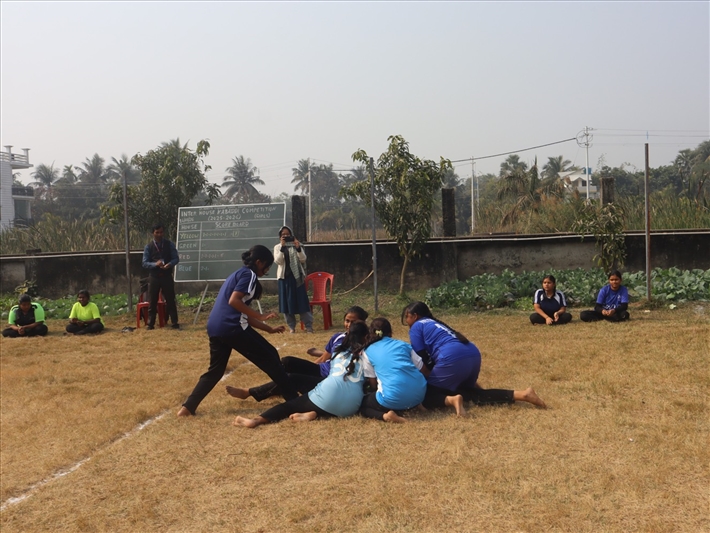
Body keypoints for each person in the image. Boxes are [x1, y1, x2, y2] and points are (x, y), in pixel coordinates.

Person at [177, 245, 300, 416]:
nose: (267, 270)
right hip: (231, 327)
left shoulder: (236, 274)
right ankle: (295, 401)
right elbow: (234, 301)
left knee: (215, 371)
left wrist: (269, 329)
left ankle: (187, 408)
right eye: (267, 266)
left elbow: (243, 314)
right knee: (271, 355)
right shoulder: (249, 275)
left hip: (215, 326)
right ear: (259, 262)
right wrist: (261, 315)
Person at [402, 301, 546, 411]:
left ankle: (453, 400)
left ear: (415, 316)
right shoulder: (434, 323)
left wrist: (429, 378)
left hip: (453, 358)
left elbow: (421, 356)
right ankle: (522, 395)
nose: (407, 321)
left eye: (407, 317)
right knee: (471, 394)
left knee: (426, 397)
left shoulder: (416, 326)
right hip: (471, 353)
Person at [233, 321, 370, 428]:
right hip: (351, 406)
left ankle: (256, 421)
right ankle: (315, 414)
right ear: (366, 337)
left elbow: (327, 358)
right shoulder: (369, 353)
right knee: (334, 404)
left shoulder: (338, 350)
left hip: (328, 390)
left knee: (289, 406)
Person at [226, 306, 369, 402]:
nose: (349, 325)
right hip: (320, 370)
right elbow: (323, 358)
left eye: (354, 322)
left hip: (330, 381)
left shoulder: (364, 343)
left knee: (291, 378)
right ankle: (278, 389)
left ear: (363, 323)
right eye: (347, 321)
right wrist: (307, 369)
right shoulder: (337, 337)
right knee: (287, 362)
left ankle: (250, 392)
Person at [359, 318, 428, 423]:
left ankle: (386, 416)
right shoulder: (404, 345)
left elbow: (373, 384)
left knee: (362, 405)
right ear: (391, 332)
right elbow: (422, 368)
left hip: (392, 399)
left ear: (370, 333)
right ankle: (415, 405)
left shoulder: (367, 351)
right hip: (420, 394)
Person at [273, 225, 313, 333]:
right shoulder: (277, 247)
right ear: (280, 237)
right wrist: (282, 247)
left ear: (291, 235)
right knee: (286, 304)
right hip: (284, 279)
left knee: (302, 302)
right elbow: (278, 261)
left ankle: (308, 326)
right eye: (283, 235)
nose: (286, 236)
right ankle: (291, 327)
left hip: (297, 278)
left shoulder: (297, 245)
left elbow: (303, 259)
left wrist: (298, 247)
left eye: (288, 234)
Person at [142, 223, 180, 330]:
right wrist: (155, 264)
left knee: (170, 299)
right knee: (152, 300)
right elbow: (144, 263)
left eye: (161, 232)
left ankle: (174, 322)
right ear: (153, 233)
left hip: (166, 275)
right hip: (154, 276)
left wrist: (170, 264)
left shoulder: (169, 244)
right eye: (157, 232)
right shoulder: (148, 247)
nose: (159, 234)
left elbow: (176, 258)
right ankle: (150, 323)